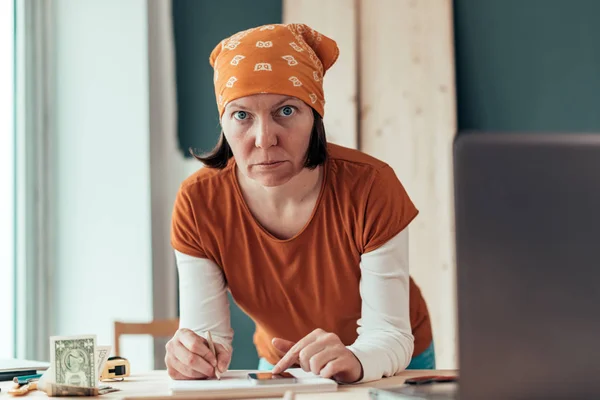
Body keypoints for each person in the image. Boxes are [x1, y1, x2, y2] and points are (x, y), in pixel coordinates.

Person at [166, 23, 433, 384]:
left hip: (390, 359)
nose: (264, 139)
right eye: (242, 115)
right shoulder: (198, 202)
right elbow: (207, 336)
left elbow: (390, 334)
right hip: (281, 364)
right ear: (224, 123)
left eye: (286, 111)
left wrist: (354, 359)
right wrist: (194, 355)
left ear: (314, 116)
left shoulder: (371, 186)